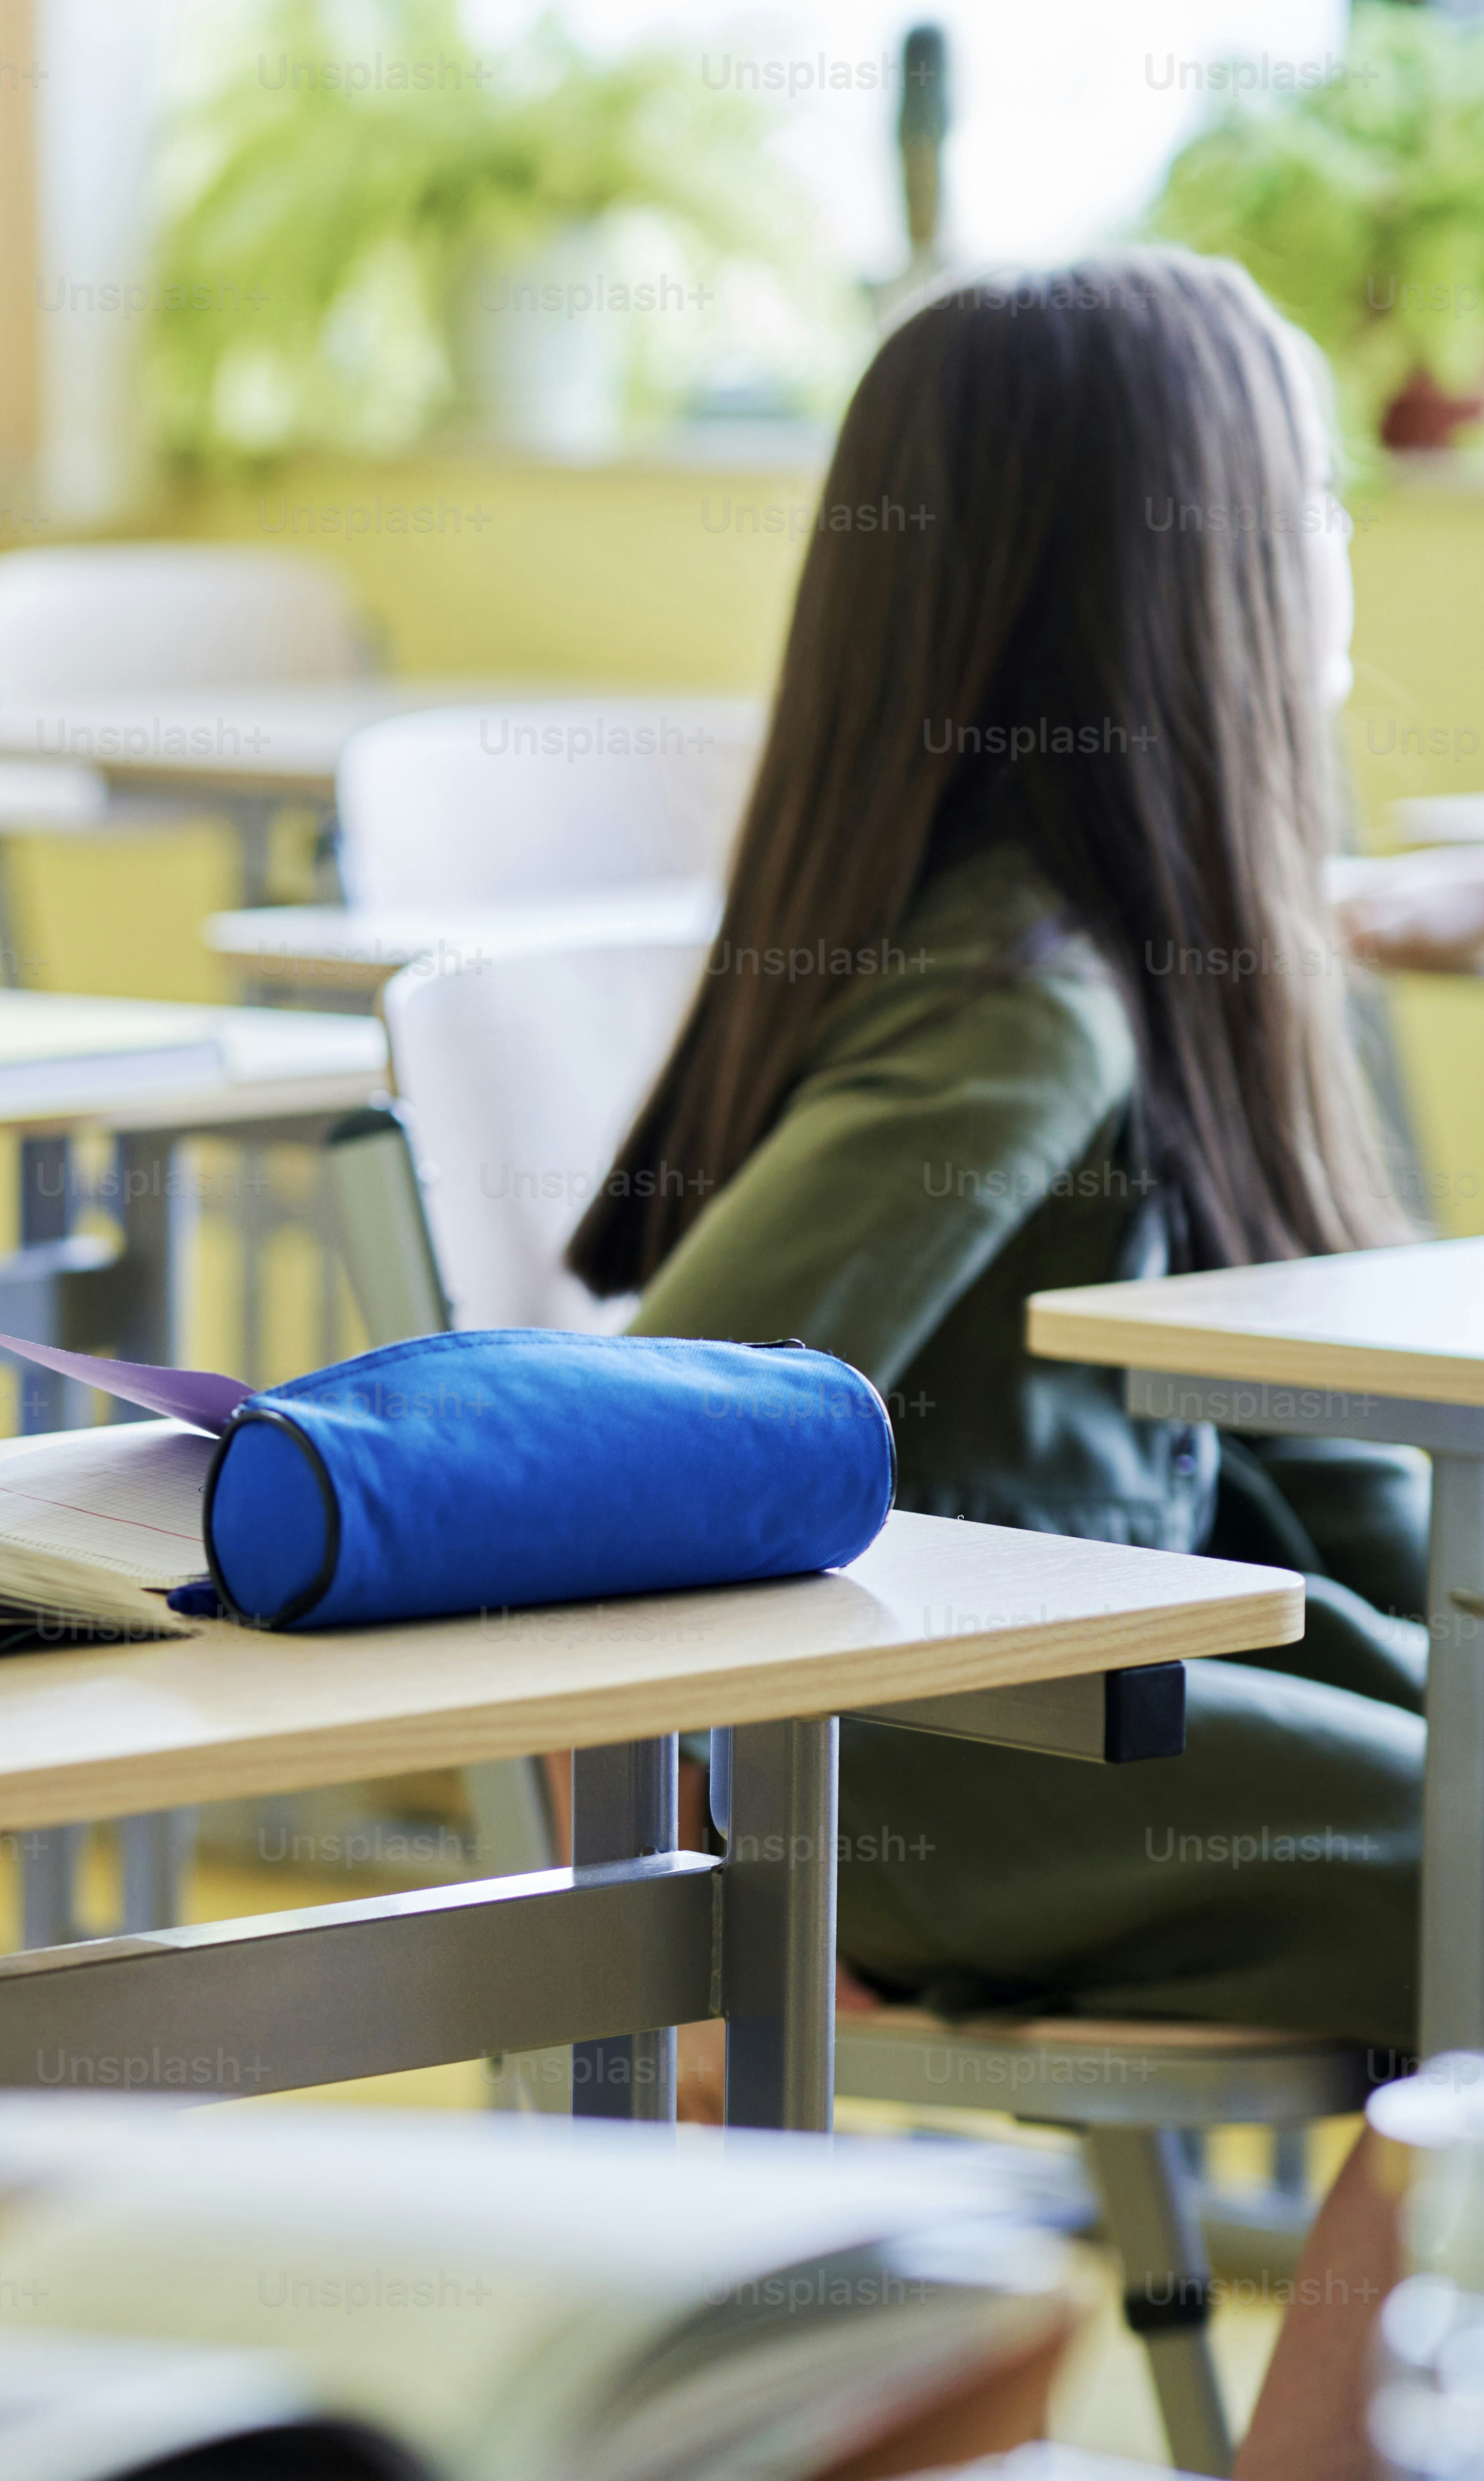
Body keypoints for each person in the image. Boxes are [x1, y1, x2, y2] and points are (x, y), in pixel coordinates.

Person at [576, 250, 1428, 2048]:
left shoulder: (1125, 956)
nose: (1341, 544)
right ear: (1185, 579)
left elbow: (1335, 1483)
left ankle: (1371, 2328)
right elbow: (635, 1447)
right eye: (1316, 499)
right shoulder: (1020, 1006)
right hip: (965, 1751)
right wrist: (707, 1881)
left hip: (1108, 1690)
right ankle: (1385, 2340)